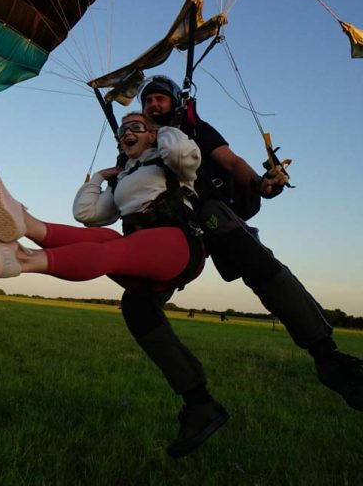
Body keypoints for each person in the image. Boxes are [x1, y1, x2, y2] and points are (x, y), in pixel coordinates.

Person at [115, 74, 362, 456]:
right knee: (136, 305)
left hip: (207, 213)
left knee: (254, 260)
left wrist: (263, 185)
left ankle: (330, 361)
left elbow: (230, 161)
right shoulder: (134, 143)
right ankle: (199, 404)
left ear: (175, 103)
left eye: (161, 99)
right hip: (166, 230)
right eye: (149, 101)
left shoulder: (194, 130)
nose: (153, 105)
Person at [0, 114, 206, 294]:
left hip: (178, 250)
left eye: (136, 127)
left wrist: (162, 126)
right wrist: (99, 178)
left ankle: (22, 260)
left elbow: (178, 152)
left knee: (113, 248)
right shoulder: (122, 178)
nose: (127, 133)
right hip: (137, 264)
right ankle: (26, 224)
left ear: (152, 135)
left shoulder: (170, 163)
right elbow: (87, 214)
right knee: (107, 236)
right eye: (123, 130)